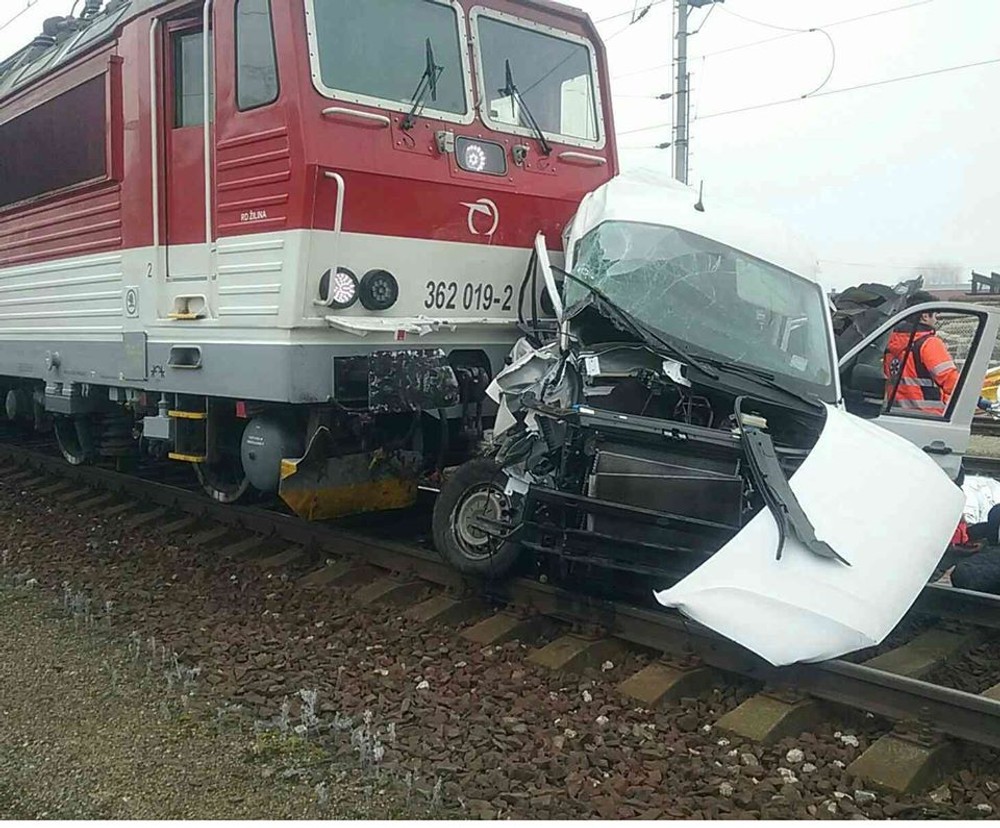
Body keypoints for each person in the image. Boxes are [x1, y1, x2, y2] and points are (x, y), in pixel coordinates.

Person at [882, 291, 959, 416]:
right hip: (929, 416)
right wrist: (976, 400)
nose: (936, 320)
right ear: (924, 316)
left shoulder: (891, 343)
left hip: (895, 413)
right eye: (935, 315)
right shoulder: (930, 343)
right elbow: (950, 380)